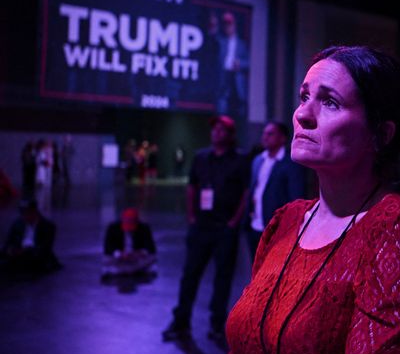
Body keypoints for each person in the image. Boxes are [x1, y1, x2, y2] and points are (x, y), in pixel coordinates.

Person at [213, 46, 400, 354]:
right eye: (304, 97)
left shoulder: (397, 227)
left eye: (330, 102)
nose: (302, 114)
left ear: (381, 134)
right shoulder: (285, 221)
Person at [162, 115, 250, 342]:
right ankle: (181, 321)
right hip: (201, 226)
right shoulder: (201, 158)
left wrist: (234, 221)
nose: (216, 133)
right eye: (214, 130)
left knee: (223, 278)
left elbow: (246, 192)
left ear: (230, 135)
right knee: (190, 275)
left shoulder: (240, 160)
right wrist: (191, 216)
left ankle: (217, 324)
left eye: (222, 130)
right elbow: (192, 187)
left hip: (224, 228)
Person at [246, 120, 307, 259]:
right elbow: (254, 188)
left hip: (276, 227)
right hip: (254, 225)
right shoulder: (258, 159)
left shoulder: (291, 163)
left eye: (270, 134)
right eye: (264, 133)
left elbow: (296, 197)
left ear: (282, 138)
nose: (265, 137)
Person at [1, 198, 61, 275]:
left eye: (27, 212)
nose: (24, 215)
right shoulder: (17, 224)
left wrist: (26, 251)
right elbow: (8, 242)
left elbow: (45, 248)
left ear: (34, 211)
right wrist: (10, 250)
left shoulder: (48, 226)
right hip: (17, 256)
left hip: (36, 259)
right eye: (22, 212)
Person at [101, 207, 157, 277]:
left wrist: (140, 253)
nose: (129, 230)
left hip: (137, 258)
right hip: (118, 258)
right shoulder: (113, 228)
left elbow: (151, 247)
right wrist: (119, 254)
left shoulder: (144, 228)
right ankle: (125, 270)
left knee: (152, 258)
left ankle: (129, 270)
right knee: (106, 259)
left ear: (137, 221)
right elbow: (107, 246)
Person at [216, 11, 249, 119]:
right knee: (223, 103)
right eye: (226, 25)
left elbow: (248, 63)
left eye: (230, 24)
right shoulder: (221, 41)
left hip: (236, 77)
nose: (228, 27)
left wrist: (240, 64)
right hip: (224, 75)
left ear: (234, 25)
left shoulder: (241, 44)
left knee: (239, 106)